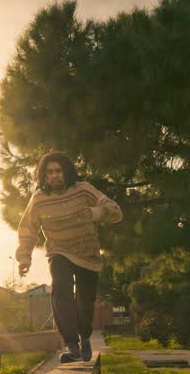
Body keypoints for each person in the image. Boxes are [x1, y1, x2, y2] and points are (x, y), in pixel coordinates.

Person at [16, 151, 122, 362]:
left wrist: (96, 213)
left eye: (58, 171)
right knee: (60, 290)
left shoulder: (83, 190)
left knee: (85, 300)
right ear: (43, 176)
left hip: (87, 254)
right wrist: (24, 257)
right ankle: (72, 344)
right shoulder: (38, 199)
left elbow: (115, 211)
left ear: (67, 172)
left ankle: (85, 337)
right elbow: (28, 229)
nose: (54, 176)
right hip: (59, 251)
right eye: (49, 172)